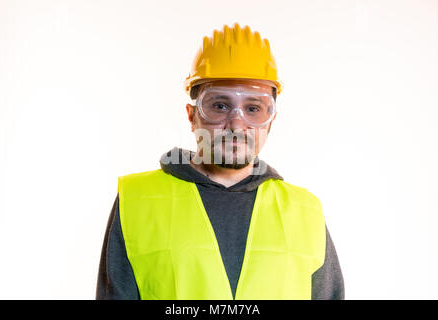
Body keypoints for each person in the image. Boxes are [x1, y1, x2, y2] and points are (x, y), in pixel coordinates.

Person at [96, 23, 344, 300]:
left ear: (270, 120)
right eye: (220, 106)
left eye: (253, 109)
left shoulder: (304, 209)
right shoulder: (138, 199)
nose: (237, 125)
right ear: (192, 115)